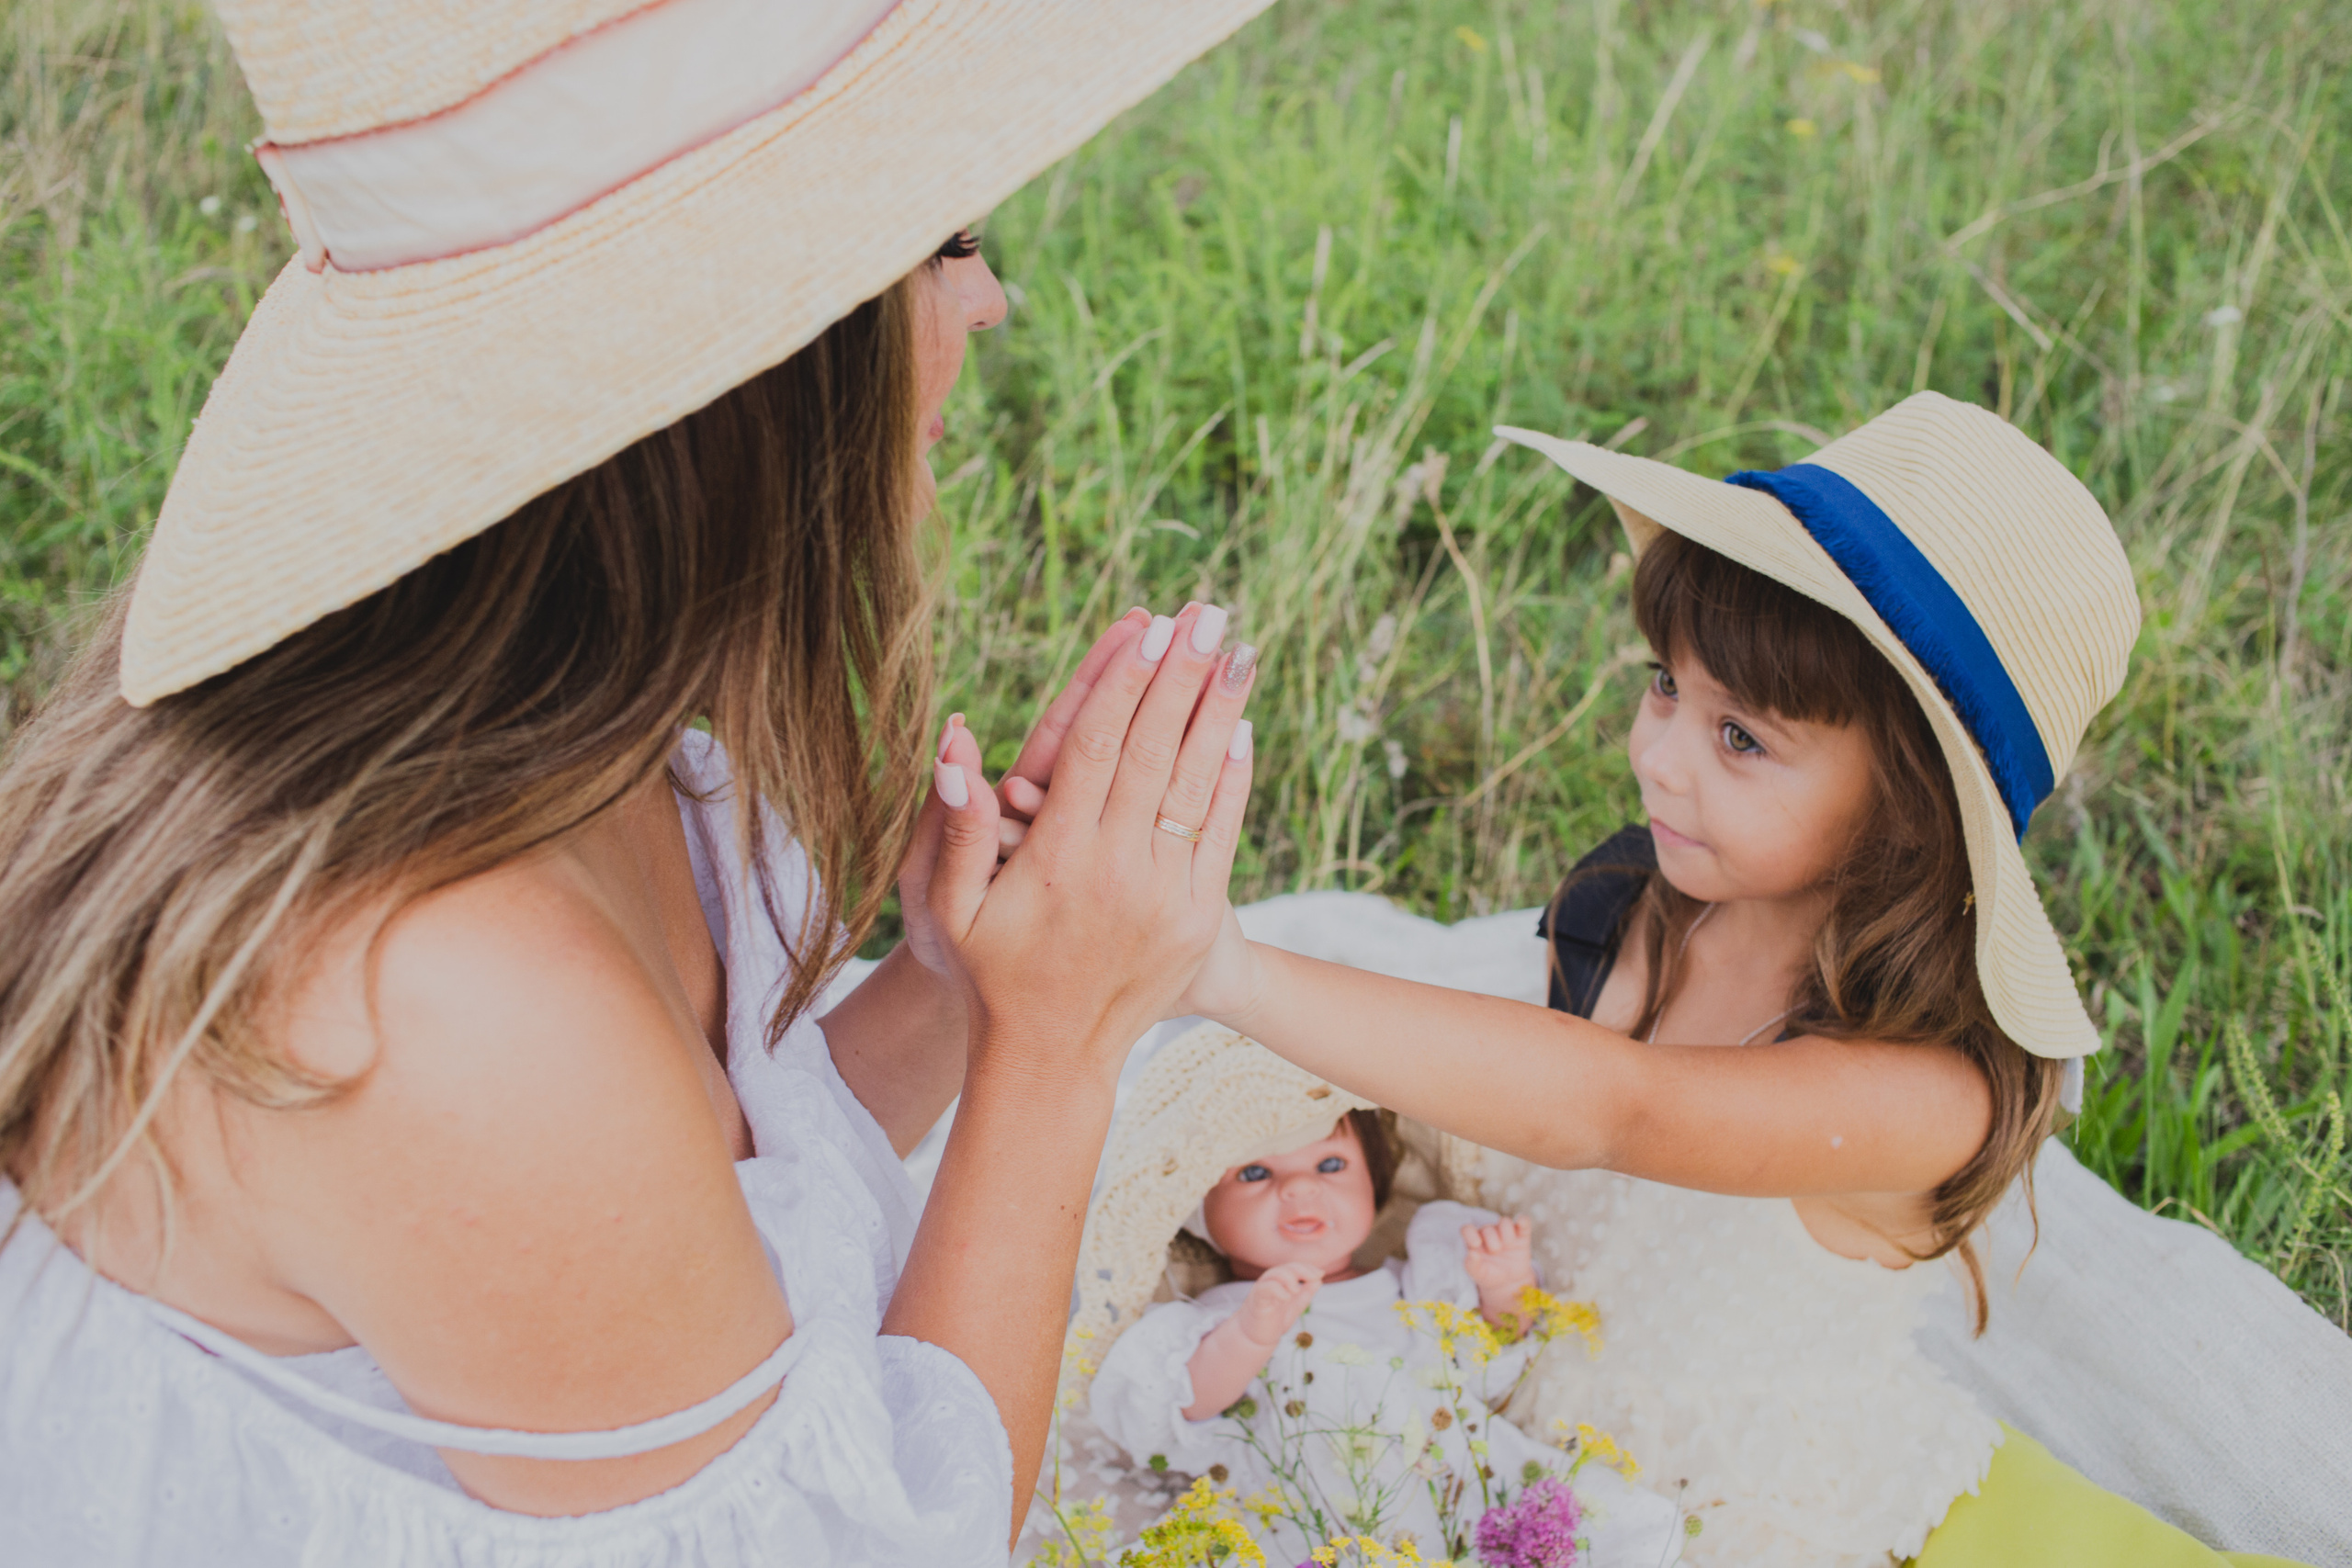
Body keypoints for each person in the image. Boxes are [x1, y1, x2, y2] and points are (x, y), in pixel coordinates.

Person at [0, 1, 1281, 1563]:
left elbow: (706, 1201)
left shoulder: (566, 729)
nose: (990, 298)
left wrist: (961, 988)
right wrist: (1060, 1043)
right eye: (945, 239)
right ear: (763, 363)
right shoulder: (451, 993)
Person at [1168, 394, 2312, 1566]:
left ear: (1910, 807)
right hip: (1504, 1453)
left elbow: (1613, 1108)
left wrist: (1225, 970)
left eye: (1741, 739)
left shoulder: (1925, 1090)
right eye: (1666, 684)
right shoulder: (1634, 906)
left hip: (1720, 1515)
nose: (1657, 757)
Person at [1087, 1111, 1685, 1565]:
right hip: (1305, 1517)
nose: (1299, 1189)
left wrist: (1502, 1287)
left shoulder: (1415, 1287)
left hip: (1454, 1488)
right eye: (1255, 1173)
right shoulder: (1211, 1320)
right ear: (1198, 1212)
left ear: (1374, 1182)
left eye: (1330, 1165)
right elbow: (1186, 1402)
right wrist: (1249, 1334)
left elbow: (1489, 1358)